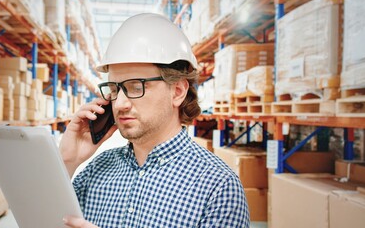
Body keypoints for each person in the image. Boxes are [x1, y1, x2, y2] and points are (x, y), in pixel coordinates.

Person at [60, 13, 249, 227]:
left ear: (177, 91)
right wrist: (67, 160)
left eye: (135, 86)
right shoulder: (95, 170)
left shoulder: (218, 187)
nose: (120, 104)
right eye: (114, 89)